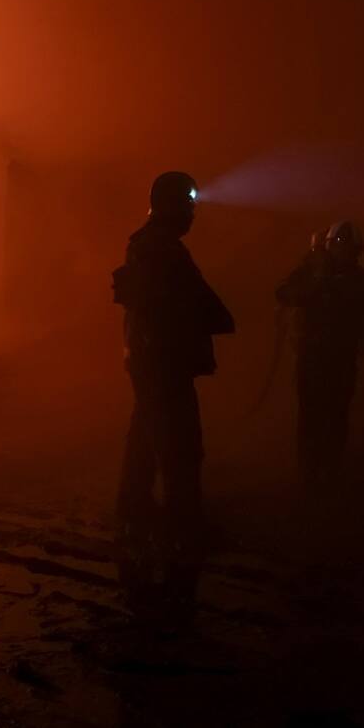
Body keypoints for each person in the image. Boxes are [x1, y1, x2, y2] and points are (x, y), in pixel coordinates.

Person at [112, 171, 235, 614]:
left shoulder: (147, 246)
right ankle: (183, 527)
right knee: (182, 445)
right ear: (174, 206)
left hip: (150, 361)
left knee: (145, 436)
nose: (193, 213)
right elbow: (191, 300)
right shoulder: (163, 250)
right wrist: (222, 318)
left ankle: (133, 509)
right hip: (164, 364)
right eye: (189, 204)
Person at [276, 220, 364, 489]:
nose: (346, 252)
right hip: (312, 358)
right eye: (341, 246)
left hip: (339, 359)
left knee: (336, 414)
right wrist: (315, 280)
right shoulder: (313, 275)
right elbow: (283, 294)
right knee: (312, 415)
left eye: (350, 248)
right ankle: (311, 472)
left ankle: (328, 470)